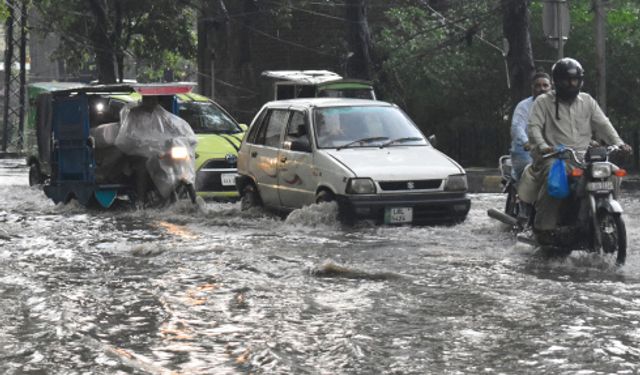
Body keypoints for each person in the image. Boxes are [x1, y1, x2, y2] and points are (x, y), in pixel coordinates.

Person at [518, 57, 632, 244]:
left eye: (575, 80)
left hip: (583, 157)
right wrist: (544, 146)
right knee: (554, 176)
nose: (571, 84)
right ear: (556, 82)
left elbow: (604, 125)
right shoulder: (543, 102)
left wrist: (619, 144)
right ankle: (543, 228)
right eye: (566, 80)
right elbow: (534, 128)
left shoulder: (587, 101)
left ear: (580, 81)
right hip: (554, 156)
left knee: (612, 171)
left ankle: (604, 212)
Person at [510, 71, 552, 181]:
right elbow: (517, 127)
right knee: (528, 175)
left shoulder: (557, 106)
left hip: (551, 150)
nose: (542, 88)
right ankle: (524, 197)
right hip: (527, 151)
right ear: (532, 88)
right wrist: (526, 142)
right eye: (538, 86)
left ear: (551, 87)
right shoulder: (523, 106)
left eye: (545, 85)